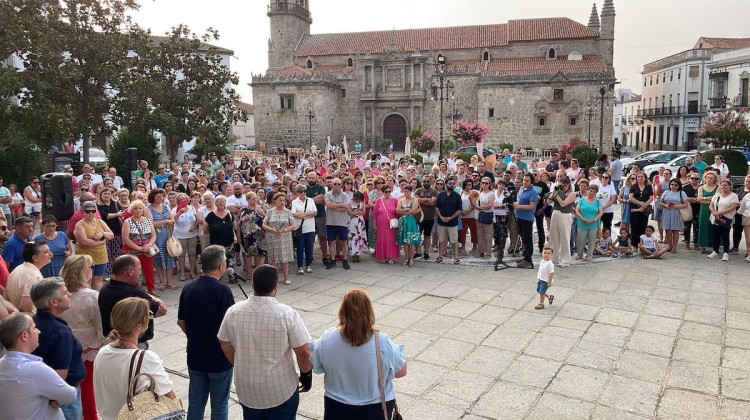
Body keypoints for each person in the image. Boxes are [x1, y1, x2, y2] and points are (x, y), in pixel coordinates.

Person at [218, 264, 313, 419]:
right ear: (275, 287)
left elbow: (224, 342)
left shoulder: (233, 312)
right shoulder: (287, 314)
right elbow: (303, 351)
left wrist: (237, 362)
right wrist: (306, 374)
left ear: (253, 284)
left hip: (247, 388)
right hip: (280, 389)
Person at [310, 289, 407, 419]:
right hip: (374, 409)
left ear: (342, 311)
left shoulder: (328, 339)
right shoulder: (382, 342)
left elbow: (315, 365)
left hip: (337, 408)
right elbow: (401, 371)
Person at [93, 297, 176, 420]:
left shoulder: (102, 353)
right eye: (148, 315)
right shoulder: (145, 358)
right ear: (139, 326)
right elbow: (169, 395)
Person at [178, 245, 235, 420]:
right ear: (221, 266)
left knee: (195, 402)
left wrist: (195, 335)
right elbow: (231, 328)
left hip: (195, 355)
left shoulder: (188, 288)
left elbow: (181, 322)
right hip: (219, 358)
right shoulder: (223, 291)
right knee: (219, 404)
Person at [0, 312, 77, 420]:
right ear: (24, 335)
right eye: (34, 328)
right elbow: (70, 395)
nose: (38, 331)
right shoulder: (35, 370)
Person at [30, 278, 85, 420]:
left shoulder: (34, 322)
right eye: (65, 293)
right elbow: (60, 374)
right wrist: (57, 398)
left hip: (44, 394)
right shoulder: (60, 332)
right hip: (62, 400)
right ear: (54, 302)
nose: (70, 295)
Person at [59, 255, 105, 420]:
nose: (92, 270)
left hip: (68, 345)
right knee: (88, 386)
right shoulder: (91, 295)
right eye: (90, 267)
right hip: (90, 346)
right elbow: (100, 324)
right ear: (83, 271)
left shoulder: (61, 293)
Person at [98, 255, 167, 349]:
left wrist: (151, 297)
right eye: (139, 269)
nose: (140, 272)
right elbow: (161, 310)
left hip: (111, 342)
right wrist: (156, 300)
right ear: (130, 271)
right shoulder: (134, 294)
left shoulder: (105, 288)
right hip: (133, 344)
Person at [74, 201, 114, 291]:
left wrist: (102, 233)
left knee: (98, 279)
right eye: (88, 211)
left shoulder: (100, 222)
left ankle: (97, 299)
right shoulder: (79, 225)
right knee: (86, 279)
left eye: (93, 211)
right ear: (83, 212)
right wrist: (102, 241)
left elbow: (111, 235)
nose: (91, 213)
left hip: (100, 256)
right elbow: (85, 242)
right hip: (86, 256)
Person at [6, 241, 52, 312]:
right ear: (35, 258)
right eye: (46, 252)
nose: (51, 254)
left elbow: (5, 298)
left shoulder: (18, 268)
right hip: (27, 321)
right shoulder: (33, 276)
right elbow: (25, 308)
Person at [146, 189, 176, 290]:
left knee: (170, 257)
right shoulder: (148, 208)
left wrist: (168, 221)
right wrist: (165, 222)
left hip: (168, 234)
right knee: (159, 259)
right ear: (153, 197)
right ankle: (162, 282)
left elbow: (172, 219)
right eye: (158, 196)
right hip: (157, 236)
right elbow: (151, 223)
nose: (160, 197)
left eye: (162, 196)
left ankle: (169, 282)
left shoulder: (166, 206)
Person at [263, 192, 296, 285]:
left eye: (284, 200)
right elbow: (264, 224)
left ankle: (286, 278)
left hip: (284, 238)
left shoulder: (288, 212)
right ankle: (273, 279)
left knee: (284, 259)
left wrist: (285, 230)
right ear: (275, 201)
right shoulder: (270, 211)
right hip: (272, 237)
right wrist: (271, 229)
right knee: (273, 259)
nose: (282, 202)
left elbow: (293, 225)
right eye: (280, 200)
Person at [546, 176, 575, 268]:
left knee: (565, 238)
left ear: (568, 185)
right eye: (562, 185)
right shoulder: (557, 191)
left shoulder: (572, 194)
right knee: (553, 237)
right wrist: (553, 194)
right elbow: (548, 202)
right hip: (555, 213)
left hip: (565, 215)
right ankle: (553, 258)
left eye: (565, 185)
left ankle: (565, 260)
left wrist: (557, 195)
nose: (564, 187)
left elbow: (563, 204)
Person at [707, 179, 740, 261]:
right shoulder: (717, 195)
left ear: (730, 186)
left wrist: (720, 212)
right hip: (716, 218)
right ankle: (715, 251)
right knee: (716, 235)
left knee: (725, 235)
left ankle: (726, 252)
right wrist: (715, 212)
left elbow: (732, 207)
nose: (723, 187)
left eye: (725, 185)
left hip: (726, 219)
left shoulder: (734, 196)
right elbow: (711, 205)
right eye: (722, 185)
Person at [172, 192, 200, 281]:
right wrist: (180, 212)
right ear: (177, 201)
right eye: (180, 200)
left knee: (192, 254)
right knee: (181, 255)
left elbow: (197, 220)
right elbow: (173, 220)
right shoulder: (175, 209)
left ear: (187, 200)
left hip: (192, 235)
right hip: (180, 235)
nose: (183, 201)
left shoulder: (192, 208)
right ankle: (182, 273)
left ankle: (192, 272)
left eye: (184, 199)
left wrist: (194, 226)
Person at [324, 178, 351, 269]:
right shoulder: (327, 194)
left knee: (344, 242)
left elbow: (345, 208)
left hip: (342, 222)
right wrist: (340, 205)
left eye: (339, 184)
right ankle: (332, 260)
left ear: (341, 185)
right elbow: (328, 205)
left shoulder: (345, 195)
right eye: (335, 184)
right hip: (330, 222)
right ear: (331, 184)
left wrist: (333, 206)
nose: (337, 186)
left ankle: (345, 259)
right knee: (331, 242)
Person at [435, 178, 463, 265]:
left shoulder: (457, 196)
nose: (451, 185)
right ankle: (440, 256)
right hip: (441, 222)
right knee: (441, 240)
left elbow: (459, 210)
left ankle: (456, 257)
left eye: (453, 183)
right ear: (446, 184)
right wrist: (441, 216)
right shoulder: (441, 195)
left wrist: (450, 218)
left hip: (453, 223)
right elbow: (437, 207)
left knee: (454, 241)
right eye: (450, 183)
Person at [239, 192, 267, 277]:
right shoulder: (243, 209)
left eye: (256, 198)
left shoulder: (259, 208)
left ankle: (257, 271)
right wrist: (238, 237)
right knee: (248, 253)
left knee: (258, 253)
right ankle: (249, 272)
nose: (255, 200)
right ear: (247, 199)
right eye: (253, 198)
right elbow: (238, 223)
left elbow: (266, 217)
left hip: (259, 234)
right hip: (247, 235)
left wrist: (262, 209)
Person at [515, 173, 539, 268]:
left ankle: (528, 260)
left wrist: (518, 206)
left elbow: (531, 206)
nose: (525, 182)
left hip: (526, 218)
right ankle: (525, 256)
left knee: (527, 238)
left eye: (527, 181)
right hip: (519, 216)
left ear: (531, 181)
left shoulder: (533, 191)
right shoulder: (521, 188)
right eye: (524, 180)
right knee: (523, 238)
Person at [659, 179, 689, 254]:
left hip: (676, 212)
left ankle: (674, 247)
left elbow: (686, 204)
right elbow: (660, 202)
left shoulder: (682, 193)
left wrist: (676, 206)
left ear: (678, 186)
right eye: (672, 184)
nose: (673, 186)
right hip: (667, 212)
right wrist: (666, 205)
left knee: (675, 230)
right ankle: (670, 246)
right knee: (667, 230)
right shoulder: (666, 192)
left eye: (675, 185)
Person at [372, 185, 399, 264]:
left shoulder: (395, 200)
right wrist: (374, 224)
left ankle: (391, 257)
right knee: (381, 239)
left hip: (391, 224)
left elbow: (397, 212)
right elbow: (374, 214)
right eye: (386, 192)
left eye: (389, 191)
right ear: (383, 192)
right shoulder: (379, 201)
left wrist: (397, 223)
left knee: (391, 240)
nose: (388, 193)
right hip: (381, 224)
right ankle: (382, 256)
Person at [575, 184, 602, 262]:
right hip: (582, 223)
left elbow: (601, 212)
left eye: (594, 191)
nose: (592, 192)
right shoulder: (581, 200)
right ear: (587, 191)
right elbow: (577, 210)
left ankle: (589, 255)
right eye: (590, 191)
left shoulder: (597, 202)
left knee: (592, 240)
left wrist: (595, 219)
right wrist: (582, 218)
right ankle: (580, 254)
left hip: (593, 224)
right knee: (581, 240)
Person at [306, 172, 329, 266]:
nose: (311, 180)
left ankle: (324, 257)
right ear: (307, 178)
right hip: (309, 216)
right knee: (310, 238)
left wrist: (309, 200)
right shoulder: (305, 188)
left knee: (323, 237)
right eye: (310, 178)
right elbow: (304, 201)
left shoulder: (320, 187)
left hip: (320, 215)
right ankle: (310, 257)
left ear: (316, 178)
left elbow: (321, 199)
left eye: (313, 178)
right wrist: (314, 200)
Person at [396, 185, 421, 267]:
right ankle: (406, 259)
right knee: (405, 242)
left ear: (411, 192)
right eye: (405, 191)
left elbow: (413, 211)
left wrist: (403, 211)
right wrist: (406, 210)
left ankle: (411, 259)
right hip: (403, 222)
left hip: (411, 222)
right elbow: (397, 211)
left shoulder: (415, 200)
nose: (406, 193)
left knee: (412, 241)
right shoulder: (400, 200)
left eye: (408, 191)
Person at [414, 174, 438, 260]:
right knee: (418, 234)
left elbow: (432, 203)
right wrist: (427, 199)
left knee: (427, 235)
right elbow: (416, 200)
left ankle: (426, 252)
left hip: (429, 217)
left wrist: (421, 200)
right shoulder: (418, 190)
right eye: (424, 181)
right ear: (422, 182)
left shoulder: (434, 191)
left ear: (430, 181)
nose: (426, 183)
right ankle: (418, 252)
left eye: (428, 181)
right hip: (418, 217)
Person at [628, 172, 653, 247]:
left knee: (643, 226)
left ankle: (642, 244)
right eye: (638, 177)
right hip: (634, 208)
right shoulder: (633, 186)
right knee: (634, 226)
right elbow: (631, 197)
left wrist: (644, 205)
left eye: (642, 177)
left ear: (645, 178)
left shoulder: (648, 186)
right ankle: (634, 244)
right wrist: (640, 203)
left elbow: (651, 197)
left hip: (644, 209)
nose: (640, 178)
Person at [697, 171, 718, 253]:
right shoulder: (701, 188)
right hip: (704, 209)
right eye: (707, 178)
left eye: (711, 178)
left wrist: (704, 198)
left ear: (714, 179)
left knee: (713, 225)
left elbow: (716, 198)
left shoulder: (717, 187)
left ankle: (713, 243)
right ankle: (702, 244)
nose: (709, 179)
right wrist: (710, 199)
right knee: (703, 224)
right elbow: (699, 200)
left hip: (714, 208)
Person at [346, 191, 368, 263]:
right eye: (357, 199)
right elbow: (350, 212)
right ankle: (353, 255)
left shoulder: (362, 201)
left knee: (359, 237)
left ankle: (358, 254)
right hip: (352, 221)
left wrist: (356, 212)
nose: (358, 201)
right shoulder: (349, 201)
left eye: (360, 200)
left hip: (360, 221)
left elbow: (363, 211)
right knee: (353, 237)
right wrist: (358, 212)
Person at [682, 173, 702, 250]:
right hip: (688, 208)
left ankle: (696, 242)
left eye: (696, 179)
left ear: (699, 180)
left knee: (697, 226)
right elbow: (682, 197)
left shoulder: (701, 188)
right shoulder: (685, 187)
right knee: (687, 225)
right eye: (692, 178)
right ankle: (687, 242)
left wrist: (695, 199)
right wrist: (689, 199)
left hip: (698, 208)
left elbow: (702, 198)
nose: (694, 180)